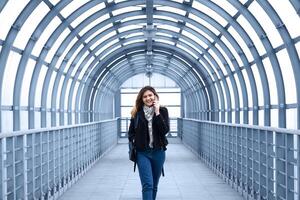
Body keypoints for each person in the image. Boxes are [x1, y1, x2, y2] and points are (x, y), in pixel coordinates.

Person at [128, 86, 169, 200]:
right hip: (142, 153)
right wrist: (135, 140)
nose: (148, 98)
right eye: (145, 96)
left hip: (158, 152)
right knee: (147, 185)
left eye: (150, 95)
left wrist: (157, 112)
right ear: (142, 99)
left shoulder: (163, 111)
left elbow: (165, 130)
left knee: (154, 185)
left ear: (155, 96)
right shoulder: (136, 113)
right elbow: (130, 133)